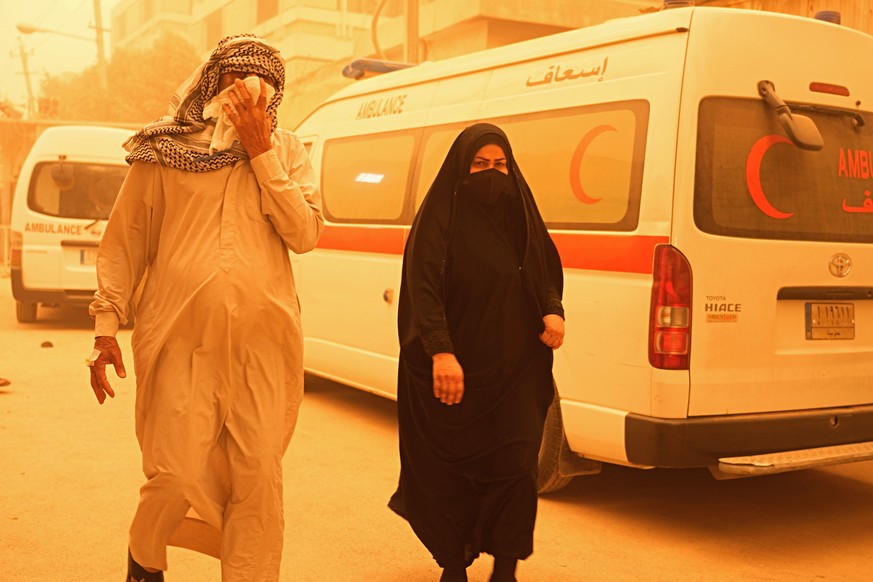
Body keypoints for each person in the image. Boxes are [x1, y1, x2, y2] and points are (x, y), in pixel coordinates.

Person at [86, 33, 323, 582]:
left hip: (264, 346)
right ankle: (145, 560)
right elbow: (126, 243)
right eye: (232, 78)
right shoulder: (164, 151)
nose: (243, 90)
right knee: (173, 473)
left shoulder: (286, 151)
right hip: (179, 341)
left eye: (257, 83)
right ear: (210, 83)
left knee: (258, 478)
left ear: (273, 96)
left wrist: (262, 154)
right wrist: (105, 327)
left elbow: (305, 233)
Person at [388, 123, 565, 582]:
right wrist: (441, 354)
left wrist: (553, 310)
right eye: (481, 165)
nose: (492, 174)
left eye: (500, 164)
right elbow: (423, 293)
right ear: (462, 168)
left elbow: (545, 266)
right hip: (455, 371)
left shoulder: (520, 212)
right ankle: (453, 562)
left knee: (517, 467)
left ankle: (505, 567)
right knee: (450, 472)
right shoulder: (439, 220)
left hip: (517, 370)